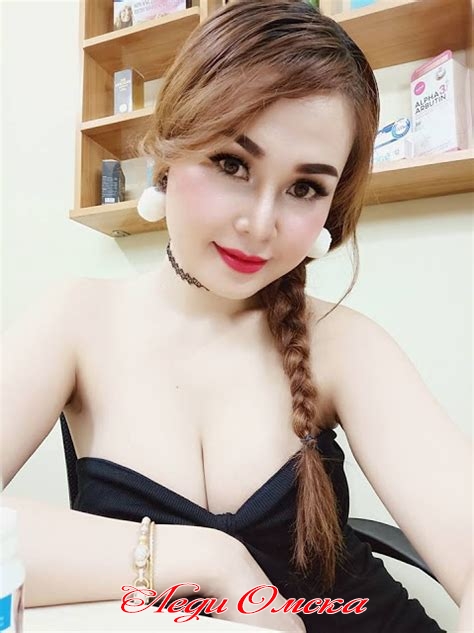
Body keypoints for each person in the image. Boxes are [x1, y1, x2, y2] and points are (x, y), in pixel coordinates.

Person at [1, 1, 472, 631]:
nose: (259, 223)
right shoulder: (77, 321)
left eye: (304, 188)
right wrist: (208, 561)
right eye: (232, 164)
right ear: (168, 153)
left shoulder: (343, 343)